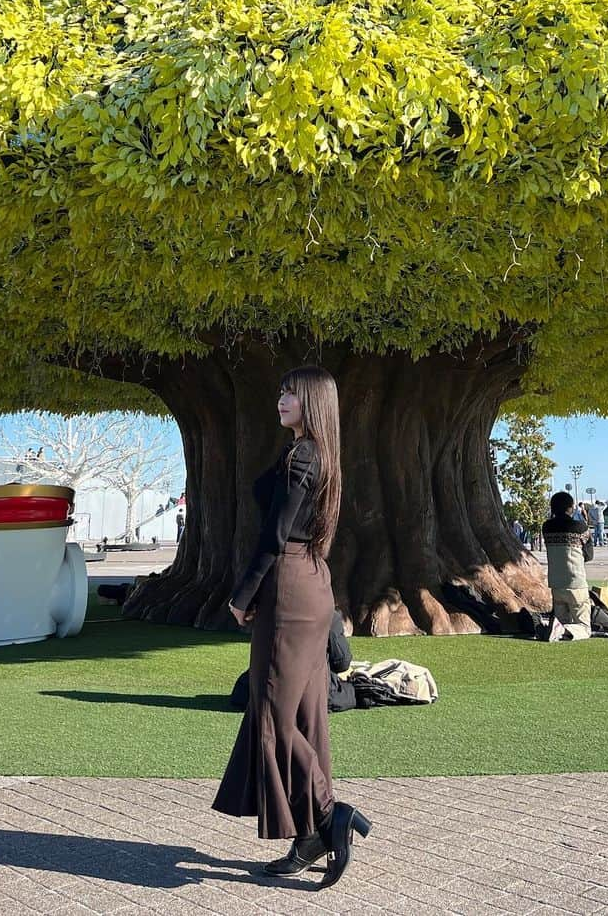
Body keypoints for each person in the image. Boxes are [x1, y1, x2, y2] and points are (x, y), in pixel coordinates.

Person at [213, 365, 370, 888]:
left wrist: (243, 596)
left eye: (291, 393)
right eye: (280, 390)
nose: (280, 399)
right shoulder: (313, 453)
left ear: (313, 402)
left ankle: (329, 816)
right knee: (305, 717)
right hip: (308, 585)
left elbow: (275, 535)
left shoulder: (304, 456)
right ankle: (309, 836)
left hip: (288, 586)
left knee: (272, 715)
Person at [541, 491, 594, 632]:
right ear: (570, 508)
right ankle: (565, 632)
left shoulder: (547, 527)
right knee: (584, 627)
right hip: (576, 582)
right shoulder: (581, 528)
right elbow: (589, 555)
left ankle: (558, 631)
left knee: (561, 622)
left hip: (556, 583)